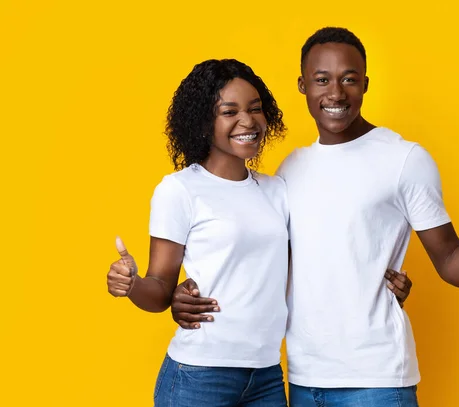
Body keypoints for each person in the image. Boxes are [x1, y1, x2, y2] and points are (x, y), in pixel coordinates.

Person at [171, 27, 459, 407]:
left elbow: (450, 257)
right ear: (303, 85)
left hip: (376, 378)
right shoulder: (289, 170)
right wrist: (187, 292)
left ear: (365, 84)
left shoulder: (404, 160)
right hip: (301, 377)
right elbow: (262, 261)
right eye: (322, 80)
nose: (335, 93)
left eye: (349, 79)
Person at [106, 58, 414, 407]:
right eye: (229, 111)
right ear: (204, 122)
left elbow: (324, 253)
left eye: (255, 109)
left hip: (266, 377)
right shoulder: (179, 190)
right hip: (200, 374)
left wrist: (381, 286)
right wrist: (132, 286)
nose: (247, 121)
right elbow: (160, 290)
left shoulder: (277, 190)